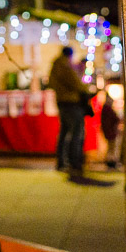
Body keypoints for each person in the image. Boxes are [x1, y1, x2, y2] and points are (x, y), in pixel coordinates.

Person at [48, 46, 92, 176]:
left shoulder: (57, 65)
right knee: (76, 133)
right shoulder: (65, 66)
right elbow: (77, 84)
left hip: (62, 102)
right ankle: (74, 163)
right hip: (71, 103)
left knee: (64, 132)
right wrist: (86, 89)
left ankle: (62, 162)